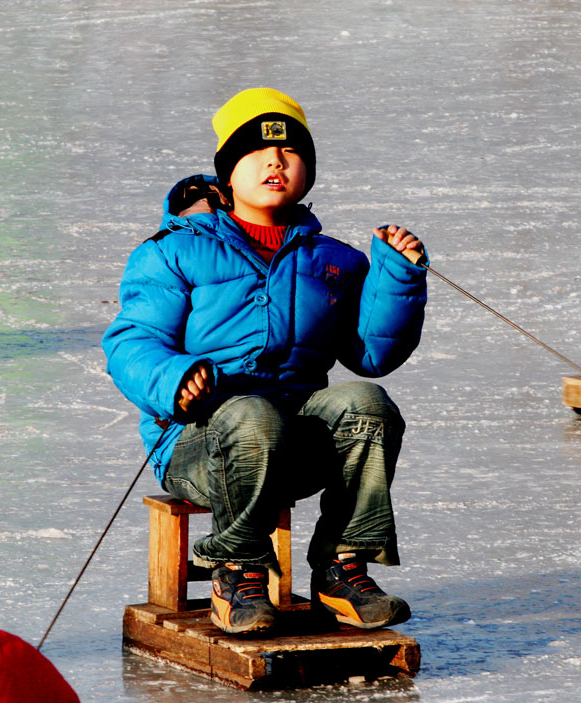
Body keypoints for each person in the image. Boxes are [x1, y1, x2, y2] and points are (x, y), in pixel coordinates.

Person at [102, 88, 428, 635]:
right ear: (227, 175)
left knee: (367, 405)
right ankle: (237, 573)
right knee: (251, 417)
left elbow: (372, 355)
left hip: (292, 442)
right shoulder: (174, 250)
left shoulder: (335, 261)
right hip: (196, 443)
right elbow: (132, 342)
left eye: (291, 153)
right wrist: (175, 379)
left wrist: (397, 276)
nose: (275, 161)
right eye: (255, 152)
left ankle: (341, 569)